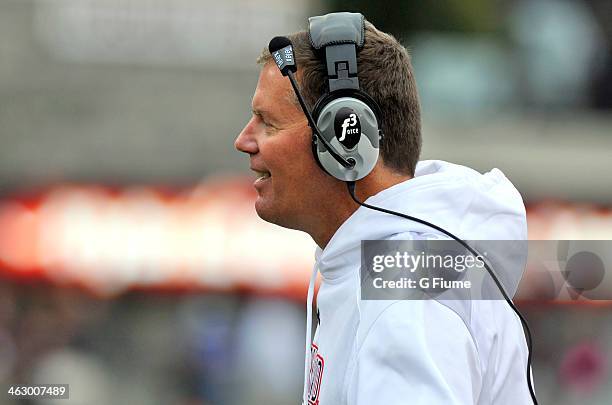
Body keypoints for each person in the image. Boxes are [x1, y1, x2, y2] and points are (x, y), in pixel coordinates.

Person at [234, 12, 533, 405]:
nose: (244, 140)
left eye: (267, 123)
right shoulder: (398, 270)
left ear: (345, 140)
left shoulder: (405, 298)